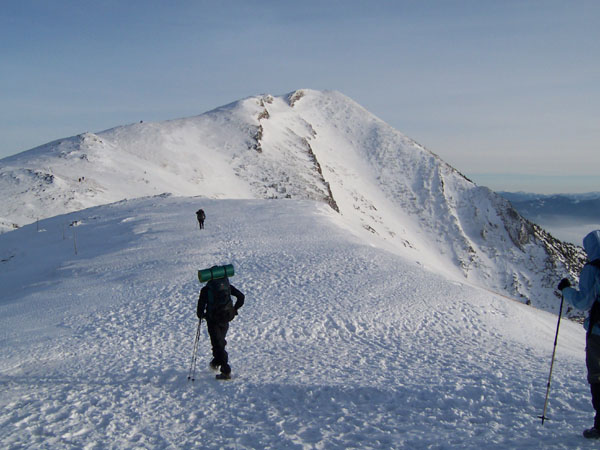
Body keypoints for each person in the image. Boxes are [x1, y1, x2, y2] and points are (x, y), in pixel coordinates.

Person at [558, 229, 600, 439]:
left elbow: (583, 302)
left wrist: (566, 290)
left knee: (597, 377)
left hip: (598, 334)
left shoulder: (593, 268)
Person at [197, 275, 244, 380]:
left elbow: (200, 309)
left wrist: (202, 315)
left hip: (213, 319)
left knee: (218, 343)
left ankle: (225, 370)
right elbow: (241, 297)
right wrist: (234, 309)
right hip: (226, 317)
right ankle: (216, 361)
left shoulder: (206, 289)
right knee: (219, 342)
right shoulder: (227, 287)